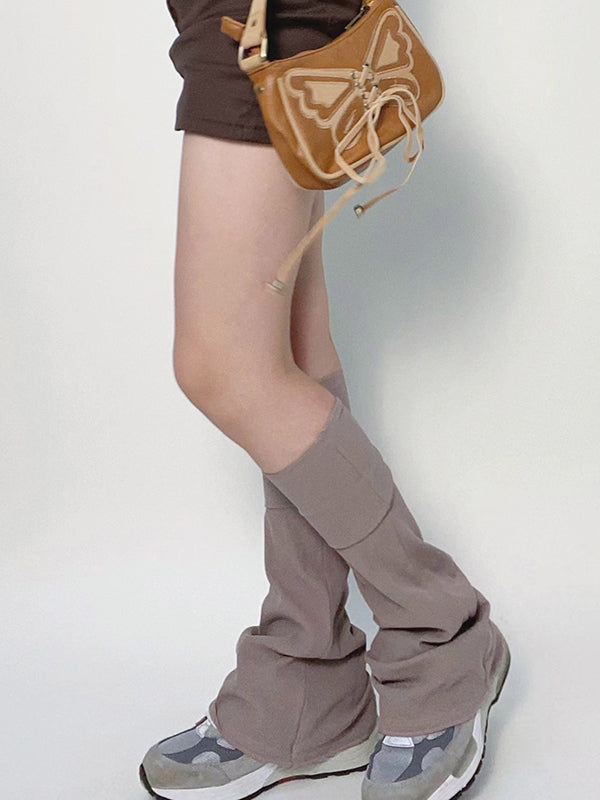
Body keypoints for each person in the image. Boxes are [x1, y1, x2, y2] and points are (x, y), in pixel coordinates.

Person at [139, 3, 510, 799]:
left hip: (261, 16)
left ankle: (442, 634)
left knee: (221, 368)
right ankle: (308, 678)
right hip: (234, 20)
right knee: (287, 352)